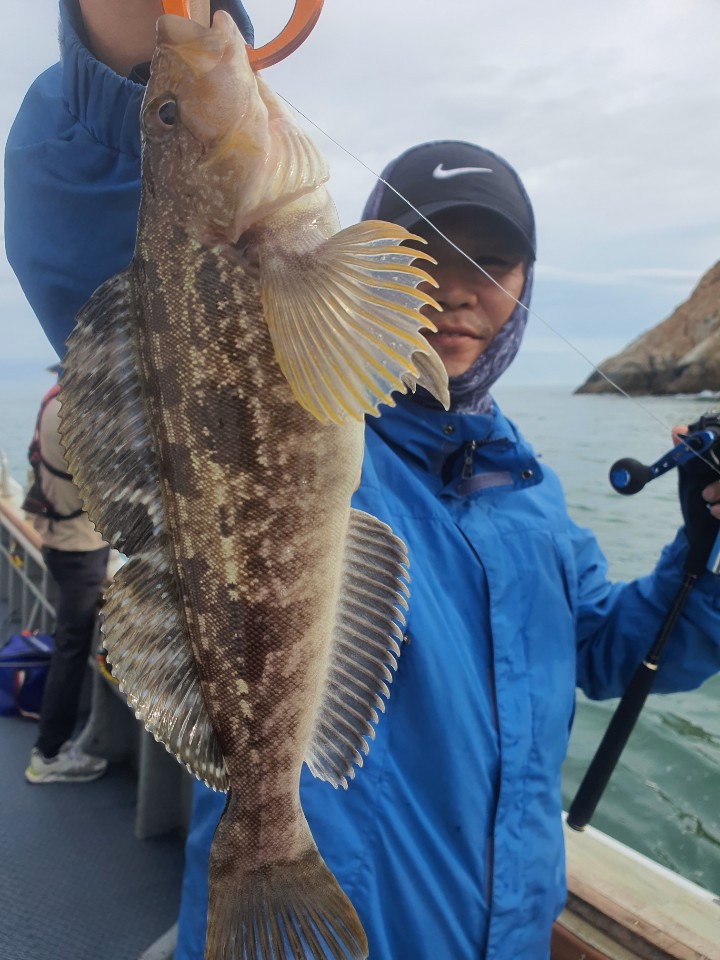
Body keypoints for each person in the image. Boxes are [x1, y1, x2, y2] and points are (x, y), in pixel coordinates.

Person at [4, 3, 720, 958]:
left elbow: (608, 651)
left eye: (492, 260)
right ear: (366, 256)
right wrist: (147, 47)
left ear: (526, 284)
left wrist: (704, 553)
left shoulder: (533, 491)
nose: (458, 287)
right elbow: (95, 209)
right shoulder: (311, 392)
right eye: (429, 250)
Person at [23, 375, 110, 783]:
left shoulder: (53, 400)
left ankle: (51, 745)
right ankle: (49, 754)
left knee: (67, 644)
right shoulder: (79, 411)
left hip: (57, 539)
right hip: (80, 549)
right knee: (71, 650)